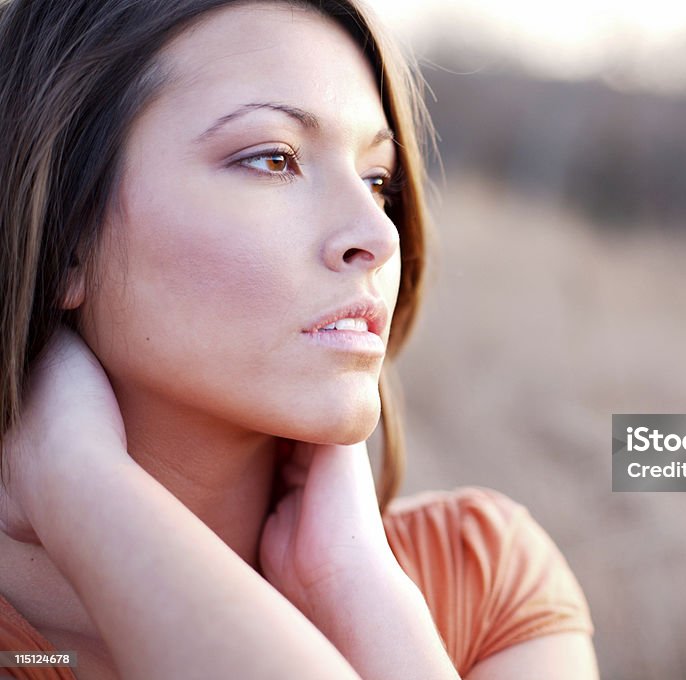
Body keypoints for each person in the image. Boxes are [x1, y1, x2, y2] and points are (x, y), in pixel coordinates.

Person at [0, 0, 598, 677]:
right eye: (274, 159)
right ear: (63, 234)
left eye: (378, 181)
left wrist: (354, 592)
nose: (377, 235)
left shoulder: (481, 580)